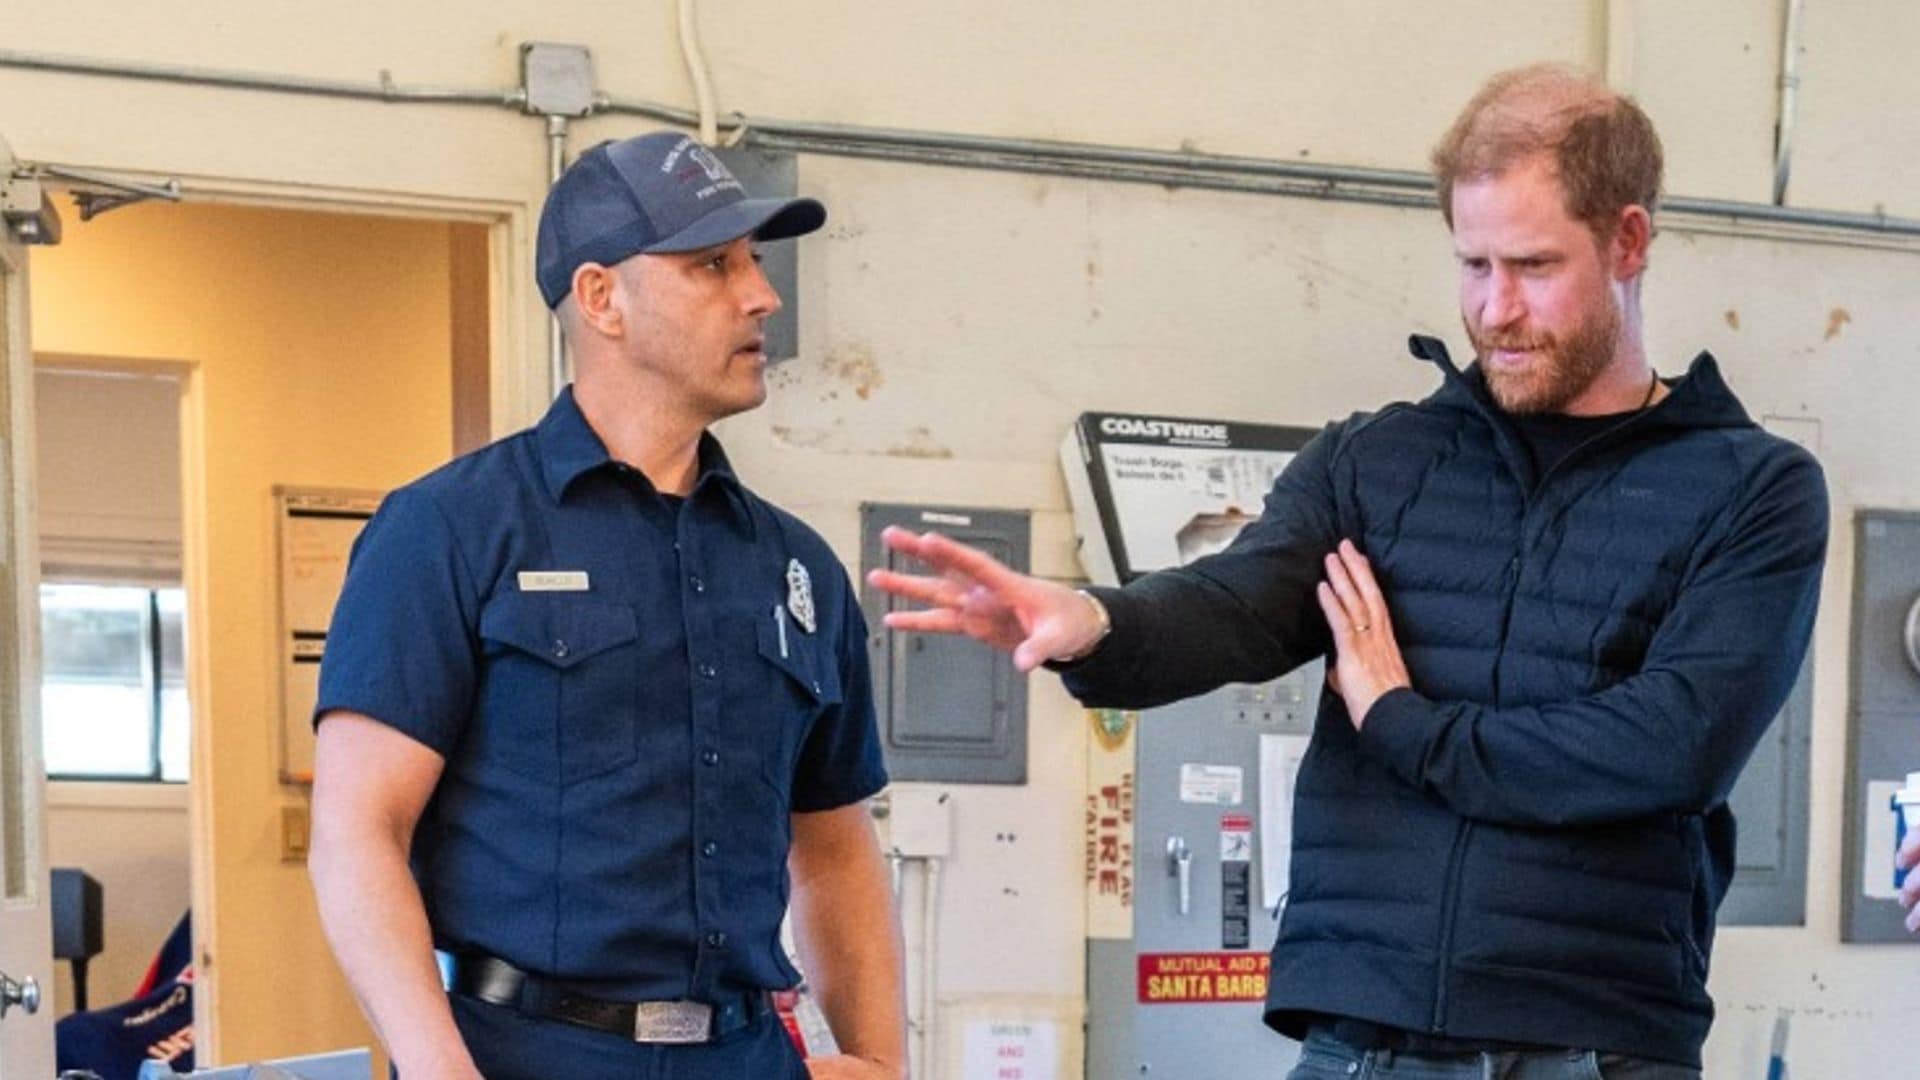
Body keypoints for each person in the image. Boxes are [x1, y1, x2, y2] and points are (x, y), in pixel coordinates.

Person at [869, 65, 1827, 1078]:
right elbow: (1232, 606)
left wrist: (1405, 724)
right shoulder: (1379, 461)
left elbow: (1667, 746)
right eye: (1472, 265)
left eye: (1534, 266)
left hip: (1594, 1040)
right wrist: (1094, 623)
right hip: (1366, 1037)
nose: (1495, 309)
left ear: (1629, 241)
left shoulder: (1750, 489)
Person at [308, 131, 905, 1080]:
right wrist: (433, 1064)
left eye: (754, 263)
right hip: (521, 1054)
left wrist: (880, 1060)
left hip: (747, 1054)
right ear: (601, 299)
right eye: (713, 265)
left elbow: (833, 849)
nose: (762, 296)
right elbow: (357, 830)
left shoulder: (799, 570)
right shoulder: (450, 530)